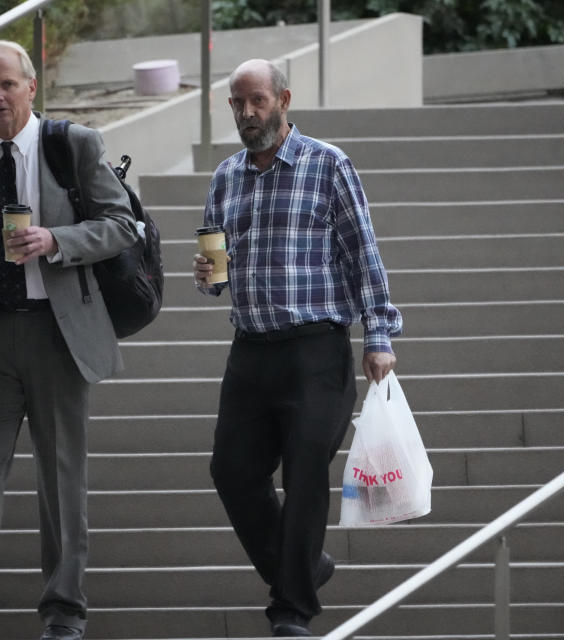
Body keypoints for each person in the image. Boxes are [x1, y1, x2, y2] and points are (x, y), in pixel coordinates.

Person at [0, 40, 138, 640]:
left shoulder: (72, 145)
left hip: (55, 333)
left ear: (31, 87)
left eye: (7, 84)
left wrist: (56, 241)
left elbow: (121, 225)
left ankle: (64, 611)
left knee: (61, 477)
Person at [193, 59, 403, 637]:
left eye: (256, 100)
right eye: (237, 103)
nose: (246, 113)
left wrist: (378, 336)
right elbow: (215, 272)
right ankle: (306, 567)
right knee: (231, 472)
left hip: (317, 350)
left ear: (283, 99)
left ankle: (291, 612)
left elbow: (363, 253)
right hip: (251, 350)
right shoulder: (226, 176)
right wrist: (208, 275)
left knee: (306, 471)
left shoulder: (327, 164)